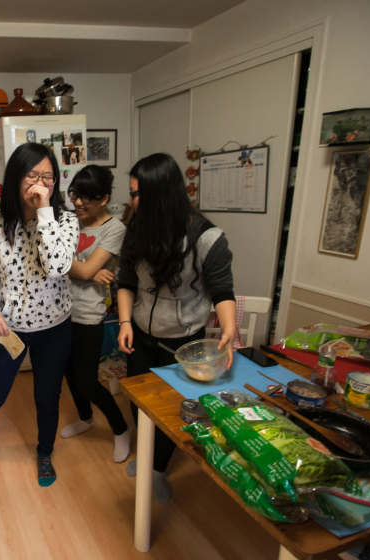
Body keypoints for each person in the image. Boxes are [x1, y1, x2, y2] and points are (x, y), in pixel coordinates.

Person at [0, 142, 79, 487]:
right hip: (8, 329)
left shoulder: (66, 221)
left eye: (48, 177)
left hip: (54, 328)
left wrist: (44, 214)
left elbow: (57, 267)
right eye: (32, 176)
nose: (40, 184)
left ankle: (44, 453)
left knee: (47, 397)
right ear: (15, 179)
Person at [117, 153, 236, 503]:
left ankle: (157, 471)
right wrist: (125, 321)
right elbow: (125, 281)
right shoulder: (136, 231)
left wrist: (228, 329)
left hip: (183, 343)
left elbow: (223, 290)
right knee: (140, 404)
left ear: (158, 196)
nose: (132, 201)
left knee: (171, 412)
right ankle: (147, 455)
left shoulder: (206, 237)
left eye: (137, 194)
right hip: (140, 335)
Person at [59, 165, 131, 463]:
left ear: (103, 199)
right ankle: (86, 419)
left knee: (88, 382)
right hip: (59, 313)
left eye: (86, 198)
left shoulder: (115, 229)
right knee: (70, 375)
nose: (77, 203)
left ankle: (120, 428)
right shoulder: (69, 220)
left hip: (88, 314)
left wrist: (83, 271)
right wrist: (87, 272)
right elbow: (54, 261)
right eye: (74, 194)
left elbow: (73, 266)